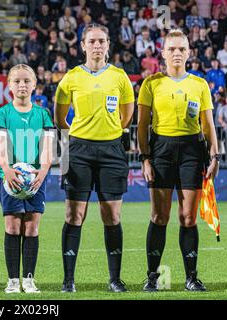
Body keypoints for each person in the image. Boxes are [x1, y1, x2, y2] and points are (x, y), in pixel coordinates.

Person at [138, 29, 219, 292]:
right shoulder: (151, 84)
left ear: (188, 52)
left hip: (192, 152)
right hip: (161, 150)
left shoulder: (199, 84)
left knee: (188, 218)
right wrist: (145, 158)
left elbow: (208, 124)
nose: (176, 53)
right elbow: (141, 126)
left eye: (181, 49)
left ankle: (191, 278)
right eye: (171, 49)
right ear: (163, 53)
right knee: (159, 216)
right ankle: (152, 277)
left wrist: (215, 155)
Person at [55, 24, 135, 293]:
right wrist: (79, 135)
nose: (97, 45)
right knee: (74, 215)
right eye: (92, 41)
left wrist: (110, 132)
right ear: (83, 45)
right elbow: (60, 117)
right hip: (79, 151)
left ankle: (114, 279)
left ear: (109, 44)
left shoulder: (120, 77)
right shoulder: (71, 78)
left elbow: (127, 114)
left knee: (111, 215)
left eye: (102, 41)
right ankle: (68, 280)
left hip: (112, 151)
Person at [0, 64, 54, 294]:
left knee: (31, 227)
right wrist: (6, 169)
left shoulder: (43, 114)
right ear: (9, 85)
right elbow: (0, 145)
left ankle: (28, 280)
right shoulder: (3, 113)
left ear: (34, 85)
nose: (22, 85)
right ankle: (12, 281)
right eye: (17, 81)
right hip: (10, 178)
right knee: (12, 225)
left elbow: (47, 147)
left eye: (27, 81)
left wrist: (44, 169)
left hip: (36, 178)